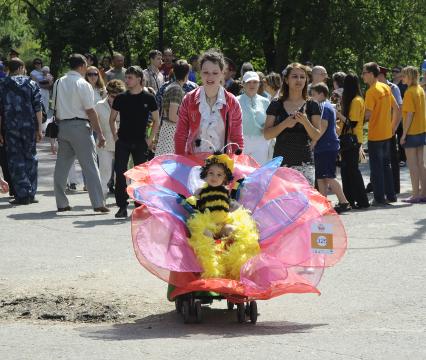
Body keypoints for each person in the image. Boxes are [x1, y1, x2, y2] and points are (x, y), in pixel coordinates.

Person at [183, 153, 259, 279]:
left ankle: (227, 253)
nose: (214, 177)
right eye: (211, 173)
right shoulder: (201, 191)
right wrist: (188, 201)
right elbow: (193, 203)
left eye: (219, 175)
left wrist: (241, 211)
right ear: (205, 174)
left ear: (225, 178)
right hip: (207, 223)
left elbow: (232, 206)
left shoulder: (225, 192)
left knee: (232, 230)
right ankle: (213, 255)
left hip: (222, 223)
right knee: (206, 233)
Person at [52, 53, 108, 213]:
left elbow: (54, 107)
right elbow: (90, 111)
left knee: (62, 166)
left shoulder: (58, 82)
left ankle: (61, 203)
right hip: (80, 126)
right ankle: (98, 202)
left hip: (63, 126)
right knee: (90, 165)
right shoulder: (82, 84)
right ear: (82, 66)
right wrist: (100, 133)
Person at [109, 66, 160, 218]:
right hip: (123, 140)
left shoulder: (148, 98)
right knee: (120, 172)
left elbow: (156, 120)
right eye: (126, 77)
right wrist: (115, 136)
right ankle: (122, 205)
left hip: (140, 141)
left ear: (139, 79)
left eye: (130, 77)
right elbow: (111, 119)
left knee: (140, 175)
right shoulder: (121, 97)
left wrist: (150, 139)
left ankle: (139, 205)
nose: (127, 80)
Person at [174, 49, 243, 155]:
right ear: (200, 73)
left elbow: (237, 139)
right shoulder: (189, 100)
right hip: (193, 164)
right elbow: (180, 135)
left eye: (215, 73)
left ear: (222, 74)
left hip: (222, 166)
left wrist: (235, 164)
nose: (210, 77)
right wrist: (181, 163)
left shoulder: (232, 102)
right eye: (206, 72)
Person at [264, 62, 321, 185]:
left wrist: (305, 122)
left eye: (302, 77)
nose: (299, 80)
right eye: (294, 76)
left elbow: (316, 136)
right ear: (286, 80)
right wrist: (284, 124)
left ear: (306, 80)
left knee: (304, 202)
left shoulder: (312, 105)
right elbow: (267, 134)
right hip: (281, 162)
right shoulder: (276, 104)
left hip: (305, 163)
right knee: (283, 202)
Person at [0, 57, 42, 205]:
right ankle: (31, 192)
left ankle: (22, 193)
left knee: (15, 159)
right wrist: (40, 128)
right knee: (30, 157)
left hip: (10, 127)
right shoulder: (32, 83)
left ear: (9, 69)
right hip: (29, 126)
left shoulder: (2, 84)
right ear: (21, 67)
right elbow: (38, 108)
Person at [362, 62, 399, 206]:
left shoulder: (371, 92)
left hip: (375, 135)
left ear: (371, 74)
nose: (362, 76)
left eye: (364, 73)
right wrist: (392, 127)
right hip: (386, 134)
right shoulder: (385, 87)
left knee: (376, 168)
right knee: (386, 166)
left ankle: (379, 198)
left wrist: (357, 118)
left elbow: (368, 115)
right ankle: (391, 195)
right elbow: (396, 109)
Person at [310, 83, 350, 213]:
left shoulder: (323, 106)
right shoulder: (328, 106)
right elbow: (336, 128)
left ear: (321, 94)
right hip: (327, 146)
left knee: (328, 176)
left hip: (325, 146)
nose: (311, 97)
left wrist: (314, 141)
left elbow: (323, 126)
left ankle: (343, 202)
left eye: (313, 94)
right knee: (321, 177)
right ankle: (324, 204)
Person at [336, 73, 370, 209]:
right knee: (346, 171)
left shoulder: (356, 101)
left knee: (352, 171)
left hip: (353, 140)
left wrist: (338, 115)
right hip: (350, 140)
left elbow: (353, 123)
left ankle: (362, 201)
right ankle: (349, 199)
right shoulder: (355, 99)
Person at [95, 79, 125, 199]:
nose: (116, 99)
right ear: (108, 94)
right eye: (113, 96)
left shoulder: (126, 105)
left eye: (119, 96)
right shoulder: (99, 105)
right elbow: (94, 124)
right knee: (105, 171)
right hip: (105, 142)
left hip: (122, 143)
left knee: (122, 173)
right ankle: (101, 198)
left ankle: (121, 198)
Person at [400, 66, 426, 203]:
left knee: (413, 165)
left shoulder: (409, 92)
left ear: (409, 77)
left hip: (411, 132)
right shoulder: (420, 89)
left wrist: (404, 135)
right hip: (422, 131)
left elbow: (410, 114)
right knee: (421, 163)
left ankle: (415, 194)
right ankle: (423, 193)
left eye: (404, 76)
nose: (401, 78)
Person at [155, 60, 190, 156]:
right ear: (186, 74)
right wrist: (188, 123)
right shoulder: (176, 89)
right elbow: (172, 116)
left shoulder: (173, 86)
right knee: (169, 163)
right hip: (171, 131)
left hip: (169, 130)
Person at [378, 66, 403, 194]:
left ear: (381, 76)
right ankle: (379, 185)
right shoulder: (374, 88)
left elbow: (399, 108)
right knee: (380, 158)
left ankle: (395, 187)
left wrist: (394, 127)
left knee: (392, 158)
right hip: (378, 128)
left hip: (390, 128)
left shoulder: (393, 88)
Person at [237, 71, 270, 165]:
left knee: (259, 170)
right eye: (248, 82)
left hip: (261, 141)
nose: (252, 85)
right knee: (241, 171)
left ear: (259, 84)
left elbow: (270, 121)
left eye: (255, 82)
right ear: (243, 84)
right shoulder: (235, 100)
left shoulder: (266, 101)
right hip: (242, 140)